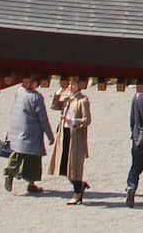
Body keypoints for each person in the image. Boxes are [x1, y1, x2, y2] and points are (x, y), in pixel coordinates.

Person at [4, 76, 54, 195]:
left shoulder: (19, 92)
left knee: (17, 154)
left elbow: (13, 110)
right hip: (32, 132)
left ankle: (9, 173)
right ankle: (31, 184)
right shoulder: (36, 97)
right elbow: (43, 119)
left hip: (16, 129)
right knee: (34, 159)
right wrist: (50, 135)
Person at [50, 76, 93, 204]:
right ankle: (80, 186)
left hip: (76, 137)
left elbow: (87, 120)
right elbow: (54, 106)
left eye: (73, 84)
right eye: (69, 84)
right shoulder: (67, 98)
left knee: (74, 167)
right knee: (64, 166)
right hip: (65, 135)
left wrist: (73, 121)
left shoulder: (83, 100)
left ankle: (77, 193)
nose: (70, 86)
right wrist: (58, 93)